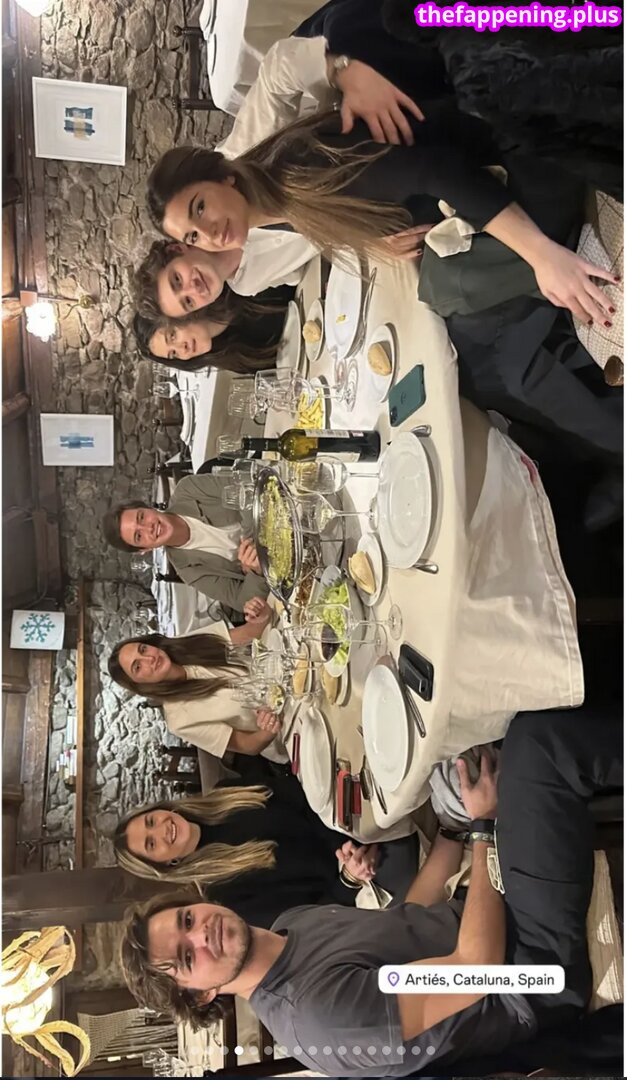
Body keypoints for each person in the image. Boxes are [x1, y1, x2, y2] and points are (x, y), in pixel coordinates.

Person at [120, 696, 622, 1075]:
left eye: (186, 920)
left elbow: (406, 918)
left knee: (473, 732)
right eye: (186, 957)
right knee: (539, 746)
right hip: (528, 973)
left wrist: (452, 830)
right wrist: (481, 831)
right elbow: (475, 970)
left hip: (488, 920)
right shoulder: (321, 1014)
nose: (201, 934)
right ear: (202, 996)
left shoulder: (287, 928)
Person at [147, 104, 617, 328]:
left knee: (454, 301)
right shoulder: (273, 206)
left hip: (517, 159)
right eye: (194, 235)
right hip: (479, 189)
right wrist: (369, 238)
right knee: (460, 317)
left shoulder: (297, 168)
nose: (209, 231)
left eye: (199, 207)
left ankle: (577, 269)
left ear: (222, 176)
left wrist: (542, 256)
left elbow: (439, 170)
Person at [382, 0, 623, 201]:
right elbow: (577, 79)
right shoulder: (481, 46)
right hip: (595, 100)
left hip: (586, 141)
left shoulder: (465, 74)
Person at [113, 775, 420, 928]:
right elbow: (309, 919)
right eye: (151, 844)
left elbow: (301, 796)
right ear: (166, 864)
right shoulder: (227, 896)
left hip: (347, 820)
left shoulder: (227, 792)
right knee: (407, 836)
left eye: (151, 821)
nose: (161, 830)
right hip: (363, 879)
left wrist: (342, 841)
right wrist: (349, 877)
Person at [108, 622, 286, 761]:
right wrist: (268, 730)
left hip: (285, 674)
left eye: (143, 649)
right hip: (287, 727)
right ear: (140, 685)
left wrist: (259, 615)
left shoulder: (185, 643)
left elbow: (250, 632)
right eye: (138, 666)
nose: (149, 658)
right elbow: (249, 746)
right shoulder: (179, 720)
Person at [102, 473, 268, 614]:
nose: (149, 528)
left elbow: (245, 490)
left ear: (149, 508)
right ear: (145, 549)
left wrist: (252, 544)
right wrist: (256, 572)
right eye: (139, 536)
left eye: (141, 517)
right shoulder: (189, 572)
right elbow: (242, 601)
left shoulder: (189, 489)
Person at [132, 242, 293, 374]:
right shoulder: (229, 355)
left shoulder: (233, 281)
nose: (183, 349)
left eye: (172, 336)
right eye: (174, 354)